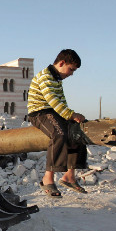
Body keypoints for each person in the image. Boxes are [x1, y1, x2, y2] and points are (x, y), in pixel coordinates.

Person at [27, 49, 87, 197]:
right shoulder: (45, 77)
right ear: (61, 63)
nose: (71, 74)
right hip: (40, 112)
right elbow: (53, 101)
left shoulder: (56, 79)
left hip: (53, 112)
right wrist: (71, 114)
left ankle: (69, 176)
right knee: (59, 135)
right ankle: (48, 179)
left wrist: (71, 118)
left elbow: (61, 102)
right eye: (71, 69)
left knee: (77, 133)